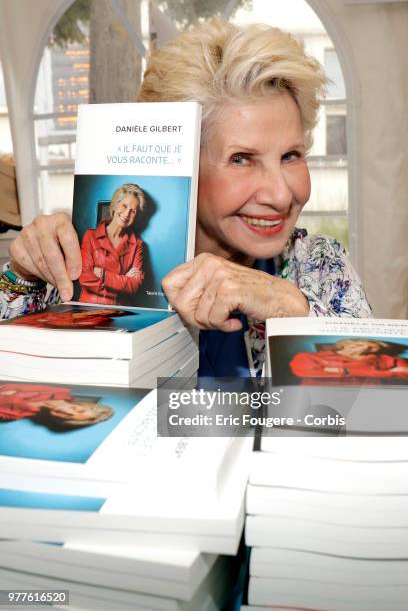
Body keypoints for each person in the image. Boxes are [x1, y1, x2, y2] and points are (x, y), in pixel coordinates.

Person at [2, 19, 372, 377]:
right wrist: (24, 276)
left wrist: (291, 309)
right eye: (242, 159)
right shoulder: (85, 259)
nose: (280, 194)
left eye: (291, 155)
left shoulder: (322, 267)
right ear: (179, 162)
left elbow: (382, 407)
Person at [79, 183, 145, 305]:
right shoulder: (90, 236)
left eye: (133, 211)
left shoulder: (137, 245)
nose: (126, 214)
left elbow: (134, 286)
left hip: (119, 312)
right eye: (124, 206)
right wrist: (122, 283)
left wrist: (103, 275)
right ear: (115, 206)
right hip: (89, 309)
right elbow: (84, 278)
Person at [0, 383, 113, 429]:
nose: (68, 414)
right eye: (81, 411)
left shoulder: (14, 415)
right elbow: (11, 385)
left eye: (69, 418)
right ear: (79, 406)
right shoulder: (61, 391)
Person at [290, 338, 408, 380]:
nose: (366, 346)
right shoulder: (304, 359)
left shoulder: (391, 362)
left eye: (371, 348)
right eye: (358, 344)